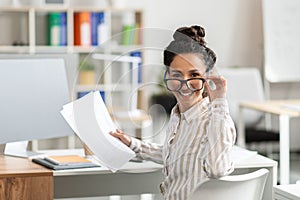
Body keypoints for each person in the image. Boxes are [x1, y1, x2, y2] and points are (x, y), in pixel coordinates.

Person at [110, 25, 236, 200]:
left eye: (194, 75)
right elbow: (173, 155)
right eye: (177, 74)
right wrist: (133, 143)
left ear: (208, 76)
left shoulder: (216, 119)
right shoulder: (178, 116)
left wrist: (219, 101)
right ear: (167, 75)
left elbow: (217, 169)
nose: (184, 83)